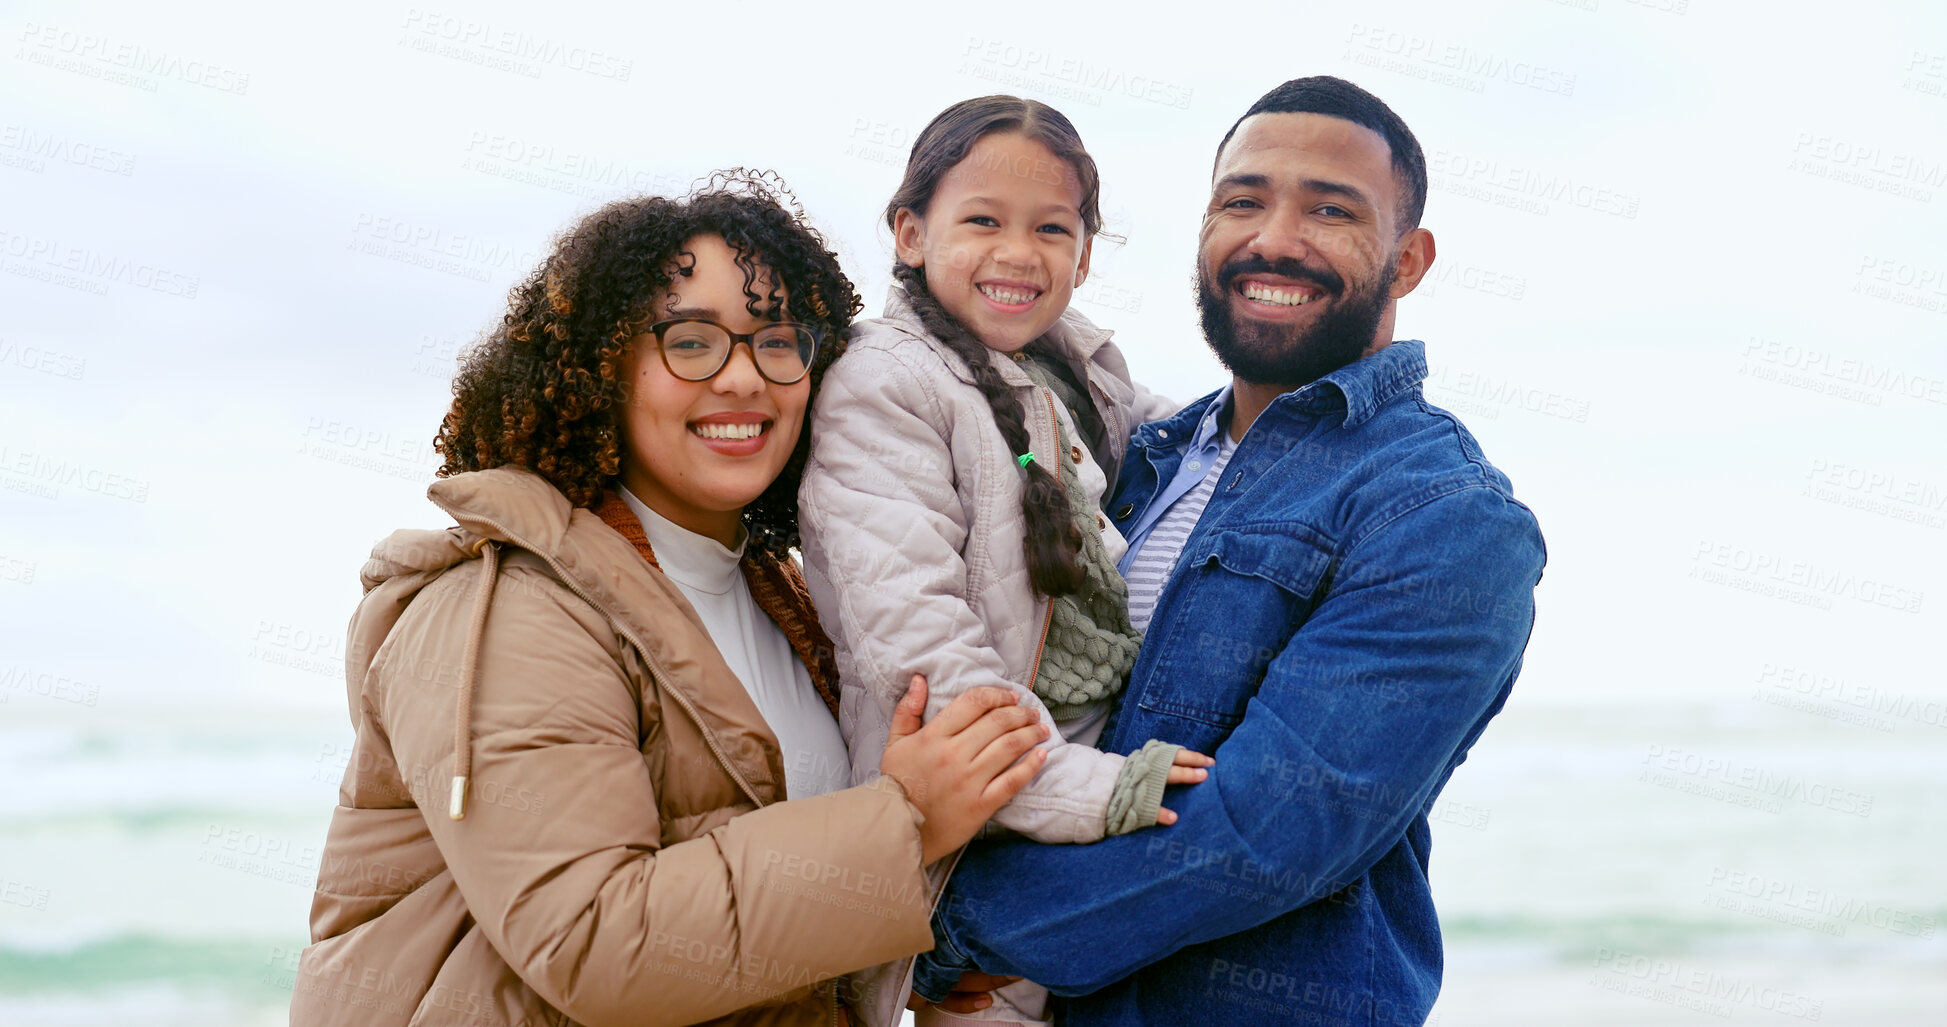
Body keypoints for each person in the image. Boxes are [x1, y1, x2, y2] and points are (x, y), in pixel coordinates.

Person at [291, 171, 1053, 1027]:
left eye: (776, 340)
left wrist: (906, 951)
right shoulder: (508, 609)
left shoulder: (787, 599)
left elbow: (760, 914)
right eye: (691, 341)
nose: (742, 379)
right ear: (599, 369)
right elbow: (596, 940)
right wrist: (905, 823)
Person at [907, 77, 1549, 1026]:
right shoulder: (1136, 456)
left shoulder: (1445, 514)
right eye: (1241, 201)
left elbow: (1260, 835)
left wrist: (937, 925)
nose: (1273, 237)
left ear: (1408, 261)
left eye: (1330, 210)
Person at [797, 96, 1213, 1026]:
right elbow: (925, 659)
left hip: (1073, 790)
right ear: (910, 231)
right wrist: (1105, 791)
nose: (1018, 254)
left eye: (1051, 227)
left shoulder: (1075, 364)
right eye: (981, 220)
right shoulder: (883, 386)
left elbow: (1190, 440)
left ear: (1086, 250)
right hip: (979, 845)